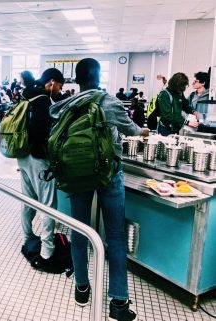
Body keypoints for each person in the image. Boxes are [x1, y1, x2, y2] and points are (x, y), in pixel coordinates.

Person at [52, 58, 149, 321]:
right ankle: (118, 303)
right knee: (115, 237)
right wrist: (144, 132)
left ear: (77, 78)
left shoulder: (66, 105)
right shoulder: (109, 102)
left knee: (80, 232)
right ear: (98, 75)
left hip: (78, 175)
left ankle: (82, 289)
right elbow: (131, 130)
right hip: (109, 175)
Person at [18, 68, 64, 273]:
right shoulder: (44, 99)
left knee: (28, 200)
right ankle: (47, 252)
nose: (59, 91)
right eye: (59, 87)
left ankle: (28, 238)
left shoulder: (26, 94)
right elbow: (40, 130)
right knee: (47, 205)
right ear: (52, 82)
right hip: (38, 158)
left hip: (23, 156)